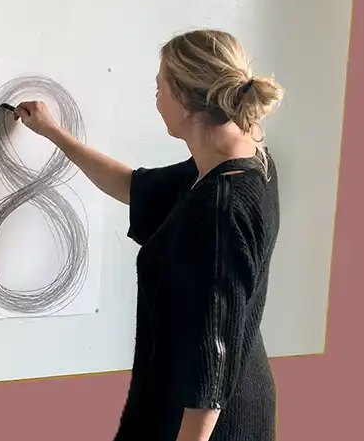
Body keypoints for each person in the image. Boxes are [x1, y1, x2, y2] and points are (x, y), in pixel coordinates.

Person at [14, 29, 284, 441]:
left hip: (204, 422)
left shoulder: (218, 208)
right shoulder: (243, 160)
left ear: (186, 101)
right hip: (230, 395)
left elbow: (211, 358)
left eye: (160, 89)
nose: (156, 100)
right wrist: (53, 132)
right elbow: (134, 187)